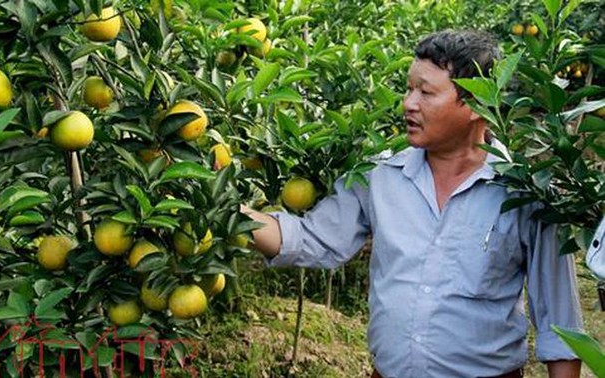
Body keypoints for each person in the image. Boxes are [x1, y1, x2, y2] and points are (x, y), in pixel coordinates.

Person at [241, 30, 583, 378]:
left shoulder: (524, 192)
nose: (409, 103)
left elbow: (561, 324)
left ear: (477, 104)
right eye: (409, 88)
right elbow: (313, 238)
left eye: (426, 92)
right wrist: (231, 217)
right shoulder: (381, 175)